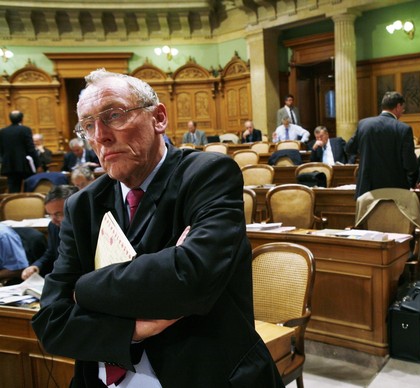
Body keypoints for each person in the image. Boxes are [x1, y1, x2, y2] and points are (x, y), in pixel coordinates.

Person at [31, 69, 283, 388]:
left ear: (159, 118)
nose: (101, 136)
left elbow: (190, 277)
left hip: (205, 375)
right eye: (88, 125)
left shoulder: (208, 176)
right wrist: (134, 330)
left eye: (114, 115)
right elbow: (51, 324)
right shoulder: (82, 206)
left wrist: (83, 289)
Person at [345, 91, 417, 198]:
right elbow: (409, 164)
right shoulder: (404, 129)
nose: (402, 112)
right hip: (394, 189)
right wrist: (411, 183)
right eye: (403, 108)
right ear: (398, 106)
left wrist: (365, 150)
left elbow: (349, 149)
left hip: (366, 188)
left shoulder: (364, 124)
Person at [21, 185, 79, 280]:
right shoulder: (53, 226)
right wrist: (36, 266)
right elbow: (51, 253)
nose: (53, 220)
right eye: (50, 215)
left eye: (58, 214)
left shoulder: (89, 228)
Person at [0, 110, 40, 192]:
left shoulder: (3, 131)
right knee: (28, 186)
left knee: (13, 188)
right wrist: (37, 163)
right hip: (23, 164)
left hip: (9, 165)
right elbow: (30, 148)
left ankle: (13, 204)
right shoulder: (25, 130)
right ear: (22, 119)